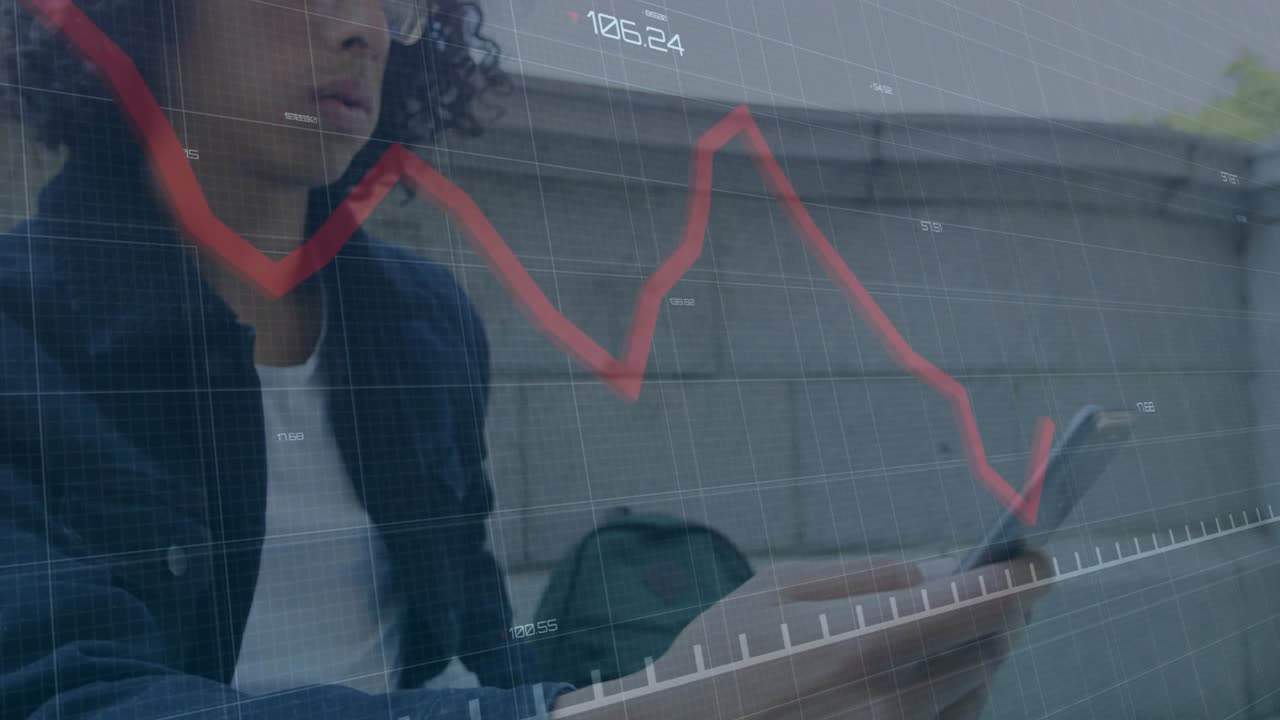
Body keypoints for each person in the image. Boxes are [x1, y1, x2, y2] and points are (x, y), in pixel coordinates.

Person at [0, 1, 1048, 718]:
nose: (364, 25)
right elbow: (72, 697)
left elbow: (476, 644)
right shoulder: (18, 335)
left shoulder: (421, 324)